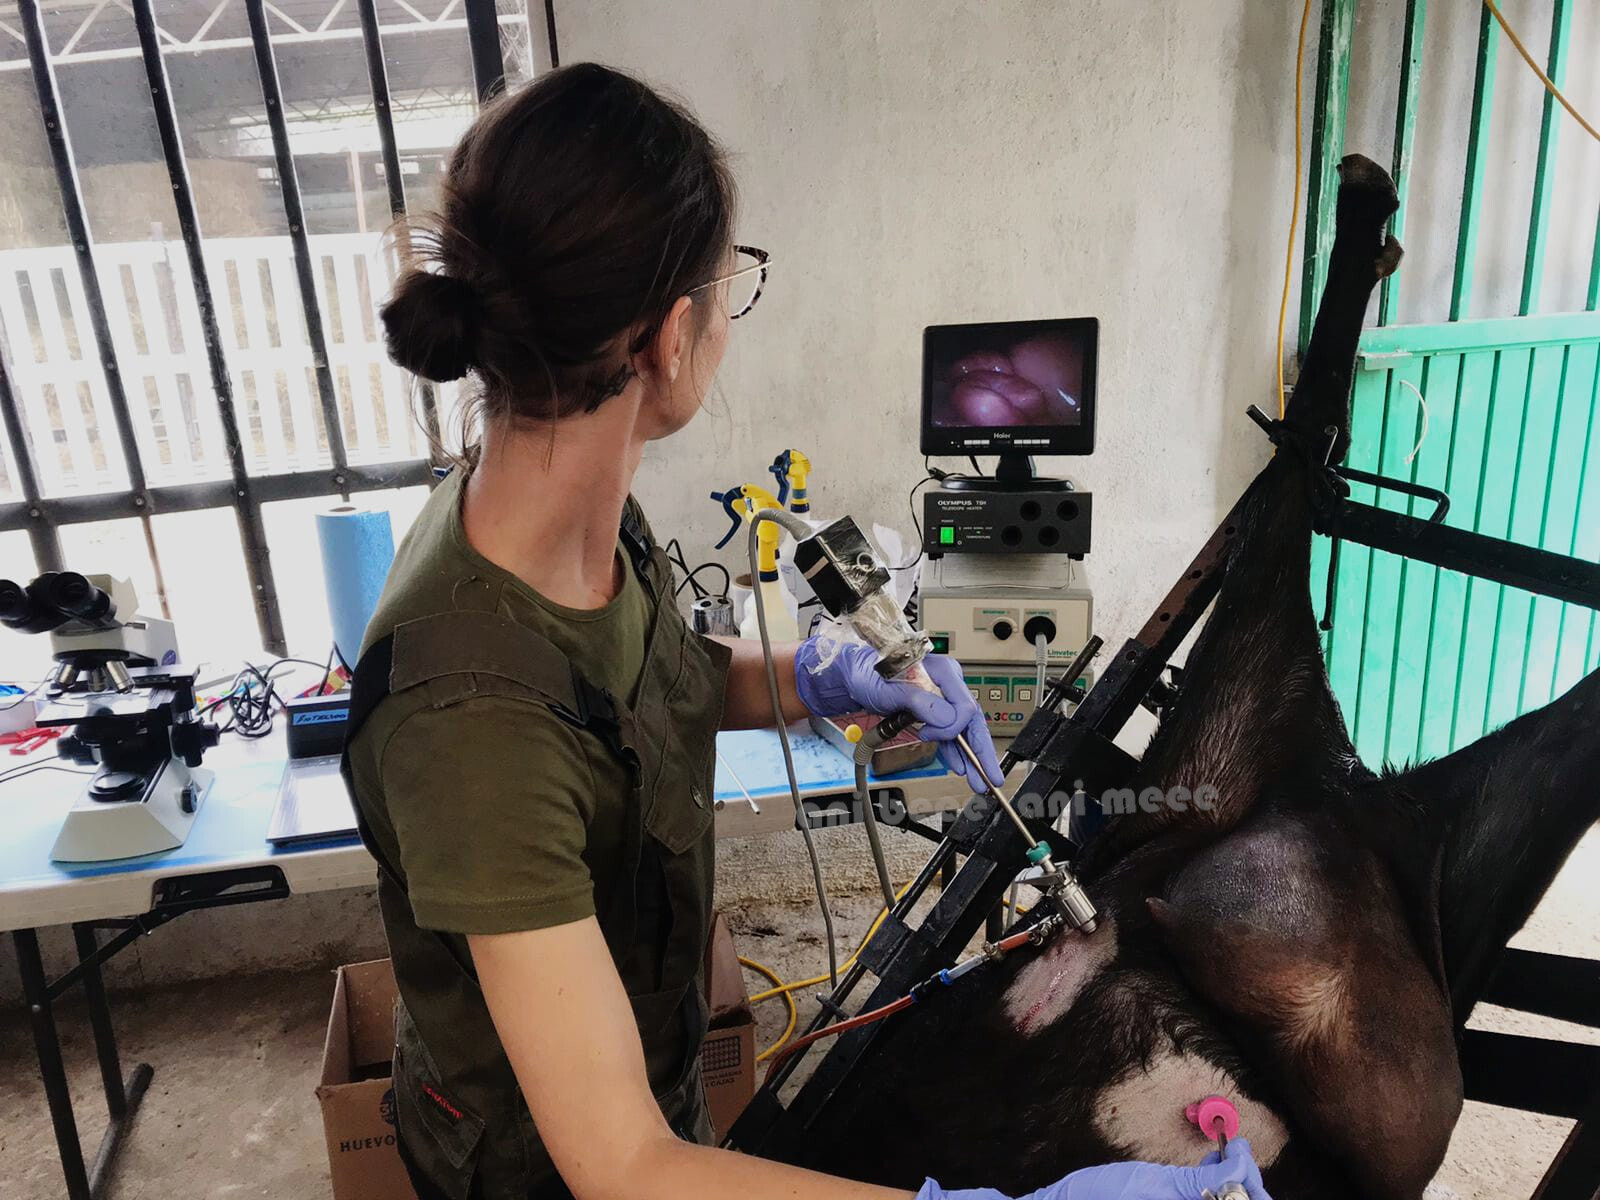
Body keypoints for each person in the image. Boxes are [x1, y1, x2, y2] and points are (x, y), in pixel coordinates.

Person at [344, 62, 1272, 1200]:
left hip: (651, 1070)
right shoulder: (470, 726)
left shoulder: (566, 515)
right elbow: (624, 1169)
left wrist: (824, 678)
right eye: (729, 283)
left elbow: (646, 687)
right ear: (664, 338)